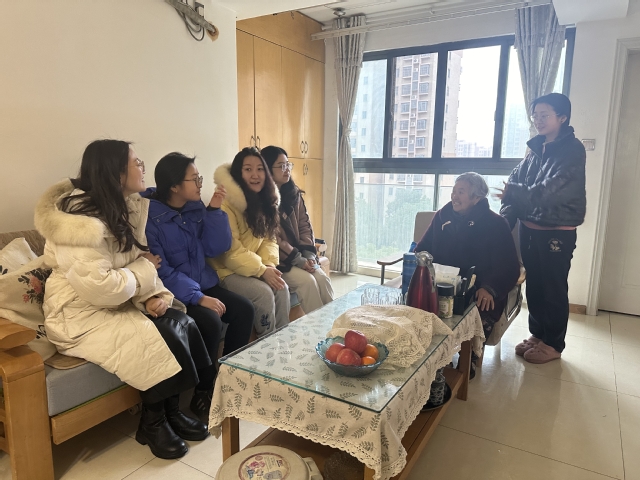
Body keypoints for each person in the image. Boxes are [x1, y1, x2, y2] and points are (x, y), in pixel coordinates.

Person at [34, 140, 210, 460]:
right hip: (77, 314)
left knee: (180, 321)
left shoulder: (125, 207)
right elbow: (103, 285)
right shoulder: (78, 223)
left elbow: (133, 263)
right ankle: (152, 424)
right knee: (153, 336)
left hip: (114, 301)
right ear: (116, 173)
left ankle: (171, 412)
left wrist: (154, 295)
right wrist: (145, 271)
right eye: (136, 162)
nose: (142, 167)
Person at [143, 152, 254, 421]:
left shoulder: (194, 207)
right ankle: (204, 391)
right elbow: (161, 271)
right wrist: (198, 297)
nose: (199, 184)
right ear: (174, 186)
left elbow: (216, 248)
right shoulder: (150, 219)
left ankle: (229, 380)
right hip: (175, 294)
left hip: (202, 282)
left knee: (244, 310)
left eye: (199, 177)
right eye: (194, 179)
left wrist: (214, 211)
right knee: (210, 321)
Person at [498, 93, 586, 364]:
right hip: (530, 227)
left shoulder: (572, 149)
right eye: (535, 115)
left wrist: (513, 192)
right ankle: (538, 334)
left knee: (553, 287)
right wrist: (503, 220)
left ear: (562, 117)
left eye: (544, 115)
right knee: (535, 284)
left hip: (556, 231)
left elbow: (553, 190)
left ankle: (554, 344)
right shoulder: (536, 148)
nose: (538, 120)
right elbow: (516, 180)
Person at [416, 172, 521, 376]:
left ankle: (469, 357)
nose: (454, 196)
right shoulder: (442, 216)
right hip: (441, 282)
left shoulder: (496, 224)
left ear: (476, 198)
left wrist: (490, 288)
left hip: (477, 287)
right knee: (417, 300)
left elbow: (509, 267)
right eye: (454, 191)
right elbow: (422, 248)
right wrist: (422, 264)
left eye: (461, 192)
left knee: (481, 305)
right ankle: (426, 352)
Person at [209, 147, 290, 336]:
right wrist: (261, 270)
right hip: (225, 271)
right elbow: (230, 252)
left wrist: (268, 265)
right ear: (238, 173)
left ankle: (284, 340)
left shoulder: (265, 200)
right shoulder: (226, 203)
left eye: (260, 169)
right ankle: (268, 344)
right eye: (248, 169)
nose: (255, 175)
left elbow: (269, 240)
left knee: (281, 288)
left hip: (251, 266)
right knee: (264, 293)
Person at [261, 146, 334, 313]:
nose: (287, 169)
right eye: (281, 166)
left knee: (322, 278)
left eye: (288, 165)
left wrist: (309, 256)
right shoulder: (263, 201)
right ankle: (319, 327)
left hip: (301, 256)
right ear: (268, 169)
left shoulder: (294, 194)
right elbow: (273, 240)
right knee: (308, 282)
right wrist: (299, 260)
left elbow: (305, 226)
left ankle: (334, 322)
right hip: (281, 262)